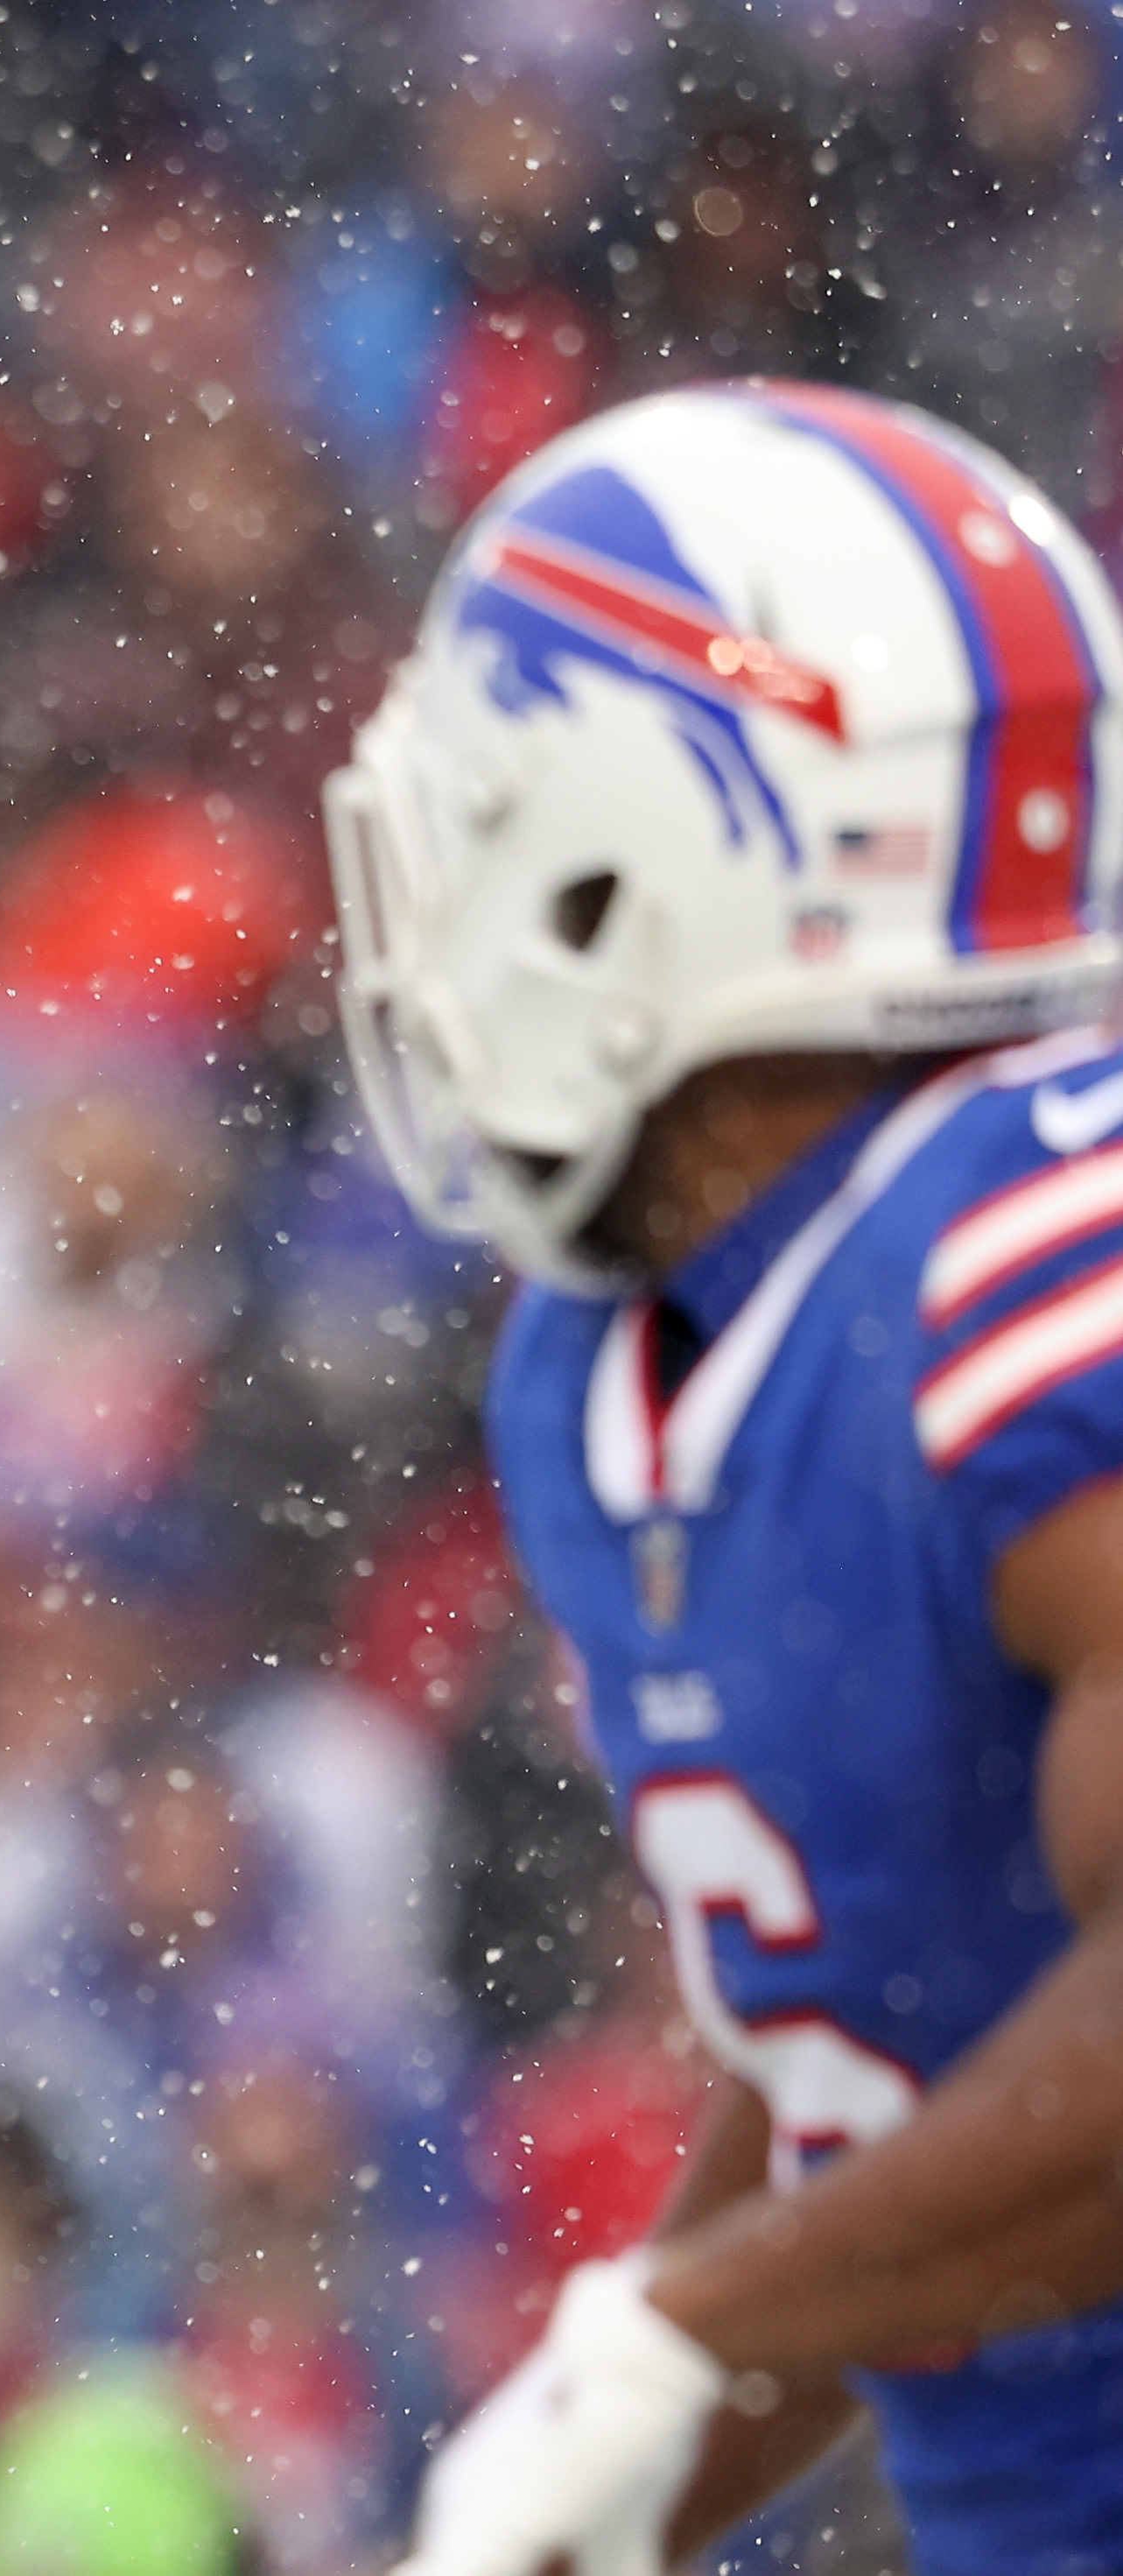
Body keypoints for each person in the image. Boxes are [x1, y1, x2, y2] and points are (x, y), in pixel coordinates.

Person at [330, 380, 1123, 2576]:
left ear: (625, 853)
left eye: (484, 810)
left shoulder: (1035, 1263)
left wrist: (679, 2331)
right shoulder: (612, 1364)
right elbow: (888, 2045)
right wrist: (607, 2447)